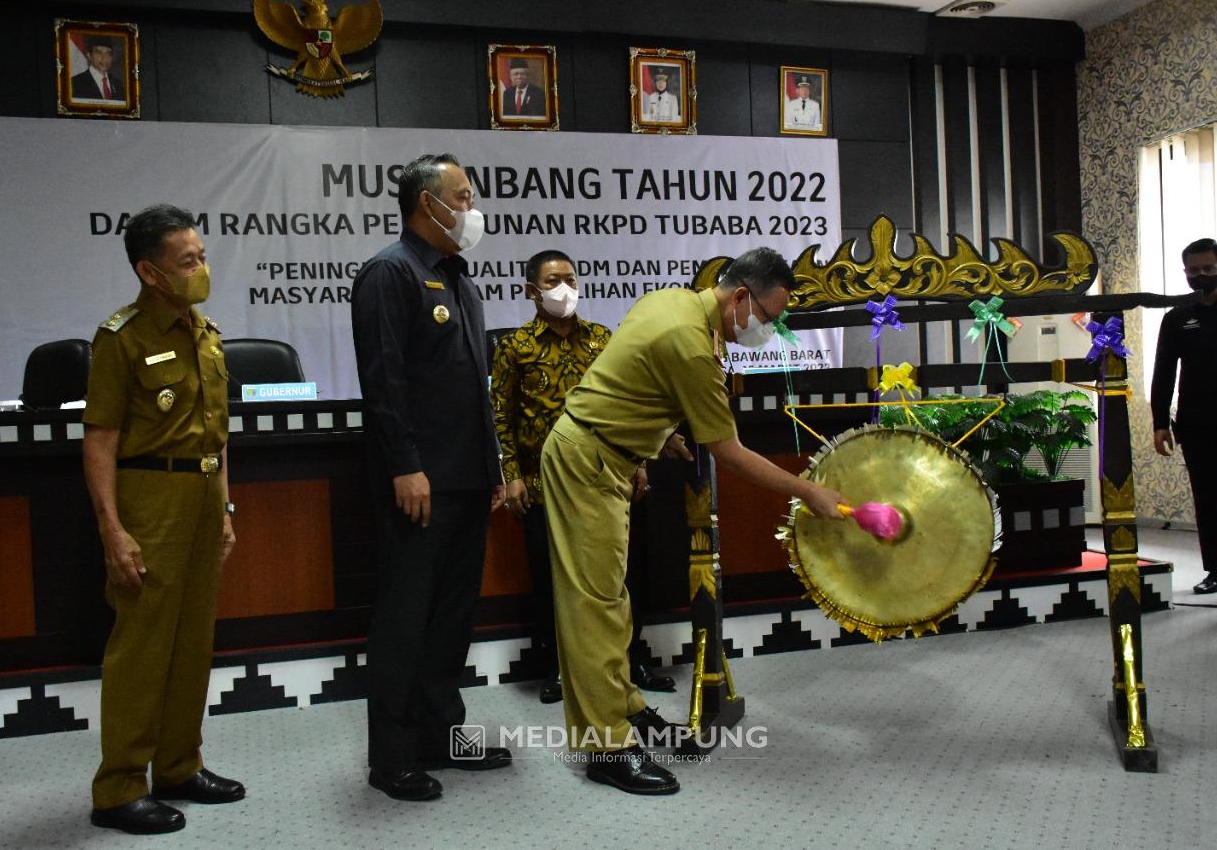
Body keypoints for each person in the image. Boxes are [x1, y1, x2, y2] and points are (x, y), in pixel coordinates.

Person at [540, 247, 846, 795]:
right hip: (589, 458)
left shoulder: (675, 303)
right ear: (741, 298)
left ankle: (626, 709)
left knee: (611, 599)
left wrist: (659, 436)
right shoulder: (692, 344)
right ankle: (605, 747)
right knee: (593, 606)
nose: (769, 330)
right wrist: (808, 491)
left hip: (606, 453)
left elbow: (633, 377)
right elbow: (728, 451)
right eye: (770, 318)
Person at [351, 153, 509, 803]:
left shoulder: (460, 279)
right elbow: (383, 382)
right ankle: (391, 755)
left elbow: (476, 388)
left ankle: (444, 735)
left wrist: (493, 468)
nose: (472, 208)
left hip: (467, 480)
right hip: (419, 482)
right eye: (463, 196)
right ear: (428, 204)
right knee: (405, 620)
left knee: (450, 619)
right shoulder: (390, 273)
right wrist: (405, 464)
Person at [83, 204, 242, 835]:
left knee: (192, 643)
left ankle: (179, 766)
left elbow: (217, 436)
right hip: (150, 499)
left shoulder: (206, 332)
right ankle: (119, 787)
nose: (201, 267)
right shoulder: (121, 338)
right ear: (150, 272)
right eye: (187, 261)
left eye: (201, 256)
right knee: (143, 646)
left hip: (203, 496)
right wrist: (112, 529)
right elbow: (99, 439)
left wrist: (226, 506)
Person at [491, 250, 675, 705]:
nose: (564, 289)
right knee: (555, 578)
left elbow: (626, 406)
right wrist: (511, 476)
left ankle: (632, 660)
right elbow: (501, 417)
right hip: (542, 483)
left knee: (623, 573)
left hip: (607, 475)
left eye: (570, 279)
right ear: (531, 291)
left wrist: (640, 462)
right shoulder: (514, 348)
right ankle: (558, 667)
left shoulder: (601, 339)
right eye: (553, 281)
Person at [1152, 237, 1217, 597]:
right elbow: (1163, 372)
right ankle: (1216, 572)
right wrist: (1160, 422)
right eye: (1194, 270)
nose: (1201, 275)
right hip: (1195, 421)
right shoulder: (1177, 319)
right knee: (1206, 500)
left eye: (1208, 269)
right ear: (1186, 273)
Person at [71, 37, 125, 102]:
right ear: (89, 55)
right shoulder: (75, 83)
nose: (104, 58)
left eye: (108, 53)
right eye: (99, 52)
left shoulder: (118, 85)